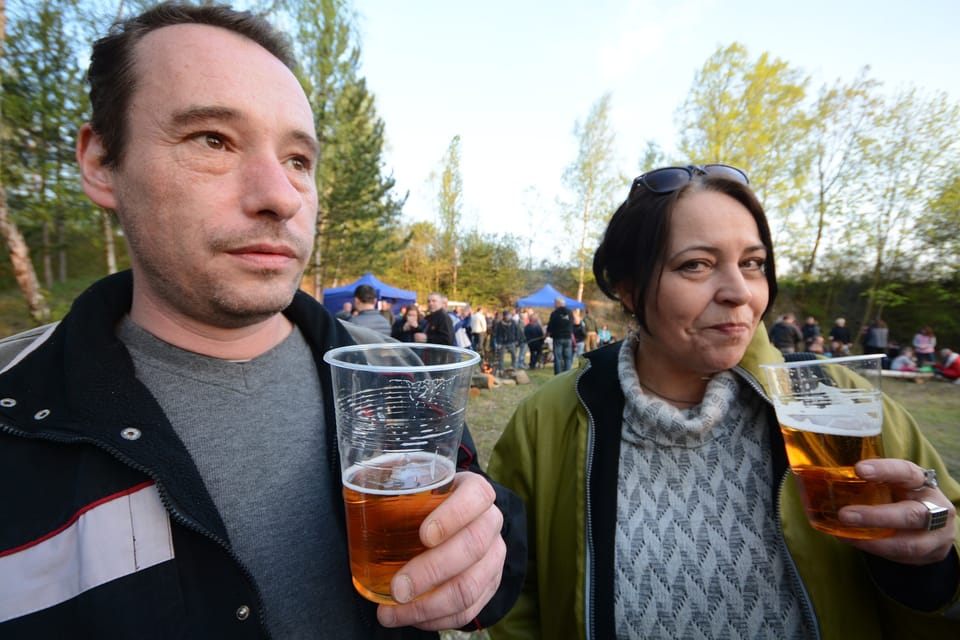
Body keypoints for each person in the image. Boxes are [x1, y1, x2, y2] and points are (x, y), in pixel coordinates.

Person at [0, 4, 526, 637]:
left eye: (298, 159)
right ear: (100, 161)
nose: (280, 195)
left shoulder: (390, 370)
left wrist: (488, 557)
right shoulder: (18, 413)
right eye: (212, 139)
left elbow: (480, 527)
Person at [487, 164, 960, 639]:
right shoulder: (548, 419)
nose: (740, 293)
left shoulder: (838, 400)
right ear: (628, 289)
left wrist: (932, 568)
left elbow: (942, 566)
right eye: (696, 264)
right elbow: (515, 586)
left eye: (752, 263)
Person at [545, 296, 574, 374]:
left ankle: (558, 374)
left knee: (558, 358)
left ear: (558, 303)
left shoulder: (555, 313)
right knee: (568, 358)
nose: (554, 305)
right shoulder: (570, 312)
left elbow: (550, 325)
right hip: (568, 337)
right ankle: (567, 374)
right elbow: (572, 323)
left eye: (555, 303)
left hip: (558, 338)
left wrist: (547, 334)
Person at [493, 309, 522, 376]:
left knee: (514, 355)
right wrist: (499, 343)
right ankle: (501, 370)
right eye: (505, 315)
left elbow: (517, 332)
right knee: (501, 357)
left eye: (508, 315)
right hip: (502, 343)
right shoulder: (500, 324)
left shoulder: (513, 322)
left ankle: (513, 368)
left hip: (511, 342)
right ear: (503, 316)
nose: (507, 317)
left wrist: (517, 340)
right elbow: (497, 334)